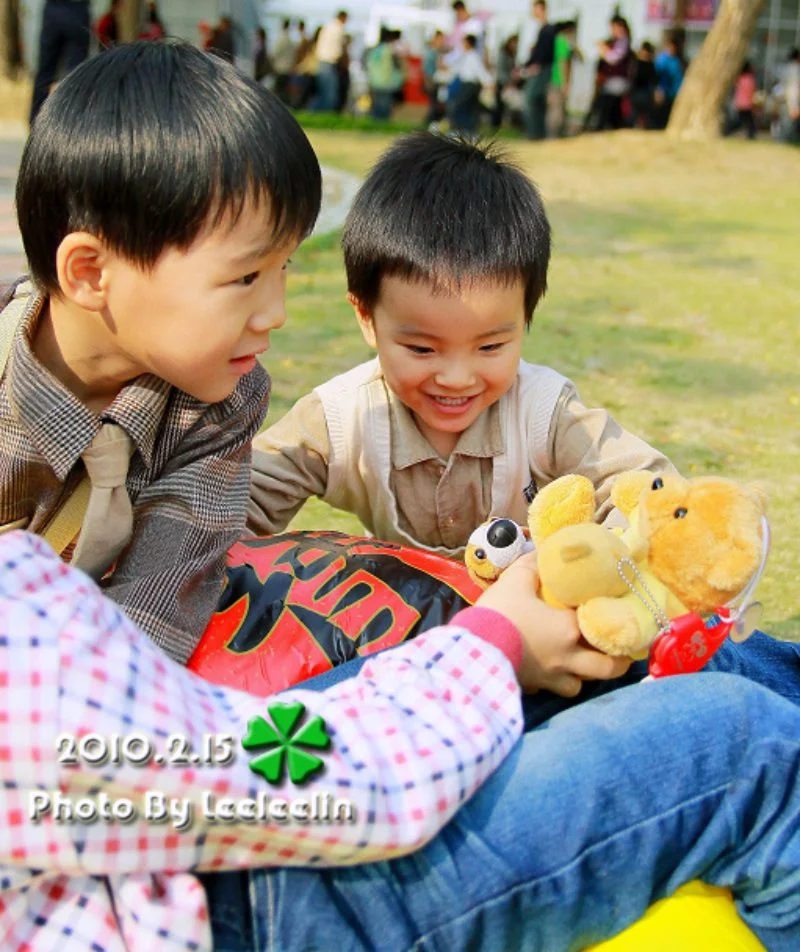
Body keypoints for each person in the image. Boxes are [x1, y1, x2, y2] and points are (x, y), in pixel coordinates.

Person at [2, 530, 800, 951]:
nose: (274, 311)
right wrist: (492, 643)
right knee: (746, 747)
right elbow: (288, 781)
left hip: (174, 802)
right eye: (243, 276)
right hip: (221, 896)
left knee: (618, 664)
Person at [1, 42, 322, 665]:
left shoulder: (218, 405)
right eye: (246, 277)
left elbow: (146, 626)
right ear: (92, 273)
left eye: (284, 267)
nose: (276, 312)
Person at [249, 132, 673, 557]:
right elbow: (233, 502)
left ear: (526, 316)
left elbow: (652, 492)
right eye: (422, 349)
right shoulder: (342, 421)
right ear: (367, 318)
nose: (456, 378)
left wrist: (600, 559)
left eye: (490, 347)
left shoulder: (544, 416)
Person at [28, 0, 91, 124]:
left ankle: (35, 123)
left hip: (54, 9)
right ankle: (73, 124)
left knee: (45, 73)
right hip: (77, 10)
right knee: (76, 74)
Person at [521, 0, 556, 140]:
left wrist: (536, 65)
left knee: (531, 100)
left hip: (540, 69)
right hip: (537, 67)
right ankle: (537, 133)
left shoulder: (548, 29)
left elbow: (544, 53)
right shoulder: (540, 29)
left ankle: (534, 133)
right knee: (537, 102)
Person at [447, 33, 493, 133]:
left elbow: (480, 71)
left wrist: (488, 82)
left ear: (468, 43)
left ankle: (459, 130)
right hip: (467, 84)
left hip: (470, 85)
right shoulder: (466, 56)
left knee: (457, 106)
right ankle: (470, 130)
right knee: (470, 108)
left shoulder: (473, 56)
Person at [595, 15, 633, 131]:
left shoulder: (623, 42)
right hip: (608, 84)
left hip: (617, 85)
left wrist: (603, 49)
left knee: (612, 117)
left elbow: (613, 58)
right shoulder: (614, 42)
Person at [547, 20, 578, 138]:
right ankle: (554, 136)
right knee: (557, 111)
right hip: (558, 80)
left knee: (555, 109)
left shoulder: (555, 40)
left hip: (552, 79)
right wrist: (565, 82)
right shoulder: (562, 41)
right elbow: (563, 62)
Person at [315, 9, 349, 111]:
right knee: (330, 94)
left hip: (323, 61)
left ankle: (320, 114)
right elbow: (339, 49)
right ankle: (325, 114)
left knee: (324, 92)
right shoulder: (338, 28)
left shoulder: (328, 27)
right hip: (329, 62)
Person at [654, 33, 684, 128]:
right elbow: (657, 76)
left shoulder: (679, 60)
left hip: (676, 93)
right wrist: (659, 90)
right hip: (664, 93)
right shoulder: (661, 60)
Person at [725, 61, 758, 139]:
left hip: (739, 102)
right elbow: (751, 91)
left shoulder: (739, 79)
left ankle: (727, 131)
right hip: (747, 103)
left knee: (742, 120)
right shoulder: (750, 79)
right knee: (747, 121)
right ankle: (751, 135)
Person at [630, 41, 657, 129]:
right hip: (635, 93)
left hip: (646, 94)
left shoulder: (651, 65)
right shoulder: (635, 64)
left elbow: (653, 81)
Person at [423, 29, 447, 127]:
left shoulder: (438, 51)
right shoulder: (431, 52)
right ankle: (430, 123)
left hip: (438, 80)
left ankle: (432, 124)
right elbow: (426, 69)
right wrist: (428, 81)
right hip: (432, 80)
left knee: (437, 104)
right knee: (434, 105)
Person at [271, 18, 296, 104]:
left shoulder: (280, 39)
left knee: (279, 89)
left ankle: (278, 104)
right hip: (288, 68)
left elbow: (274, 53)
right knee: (285, 89)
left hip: (280, 68)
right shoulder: (291, 40)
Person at [784, 47, 800, 142]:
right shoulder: (796, 69)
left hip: (788, 99)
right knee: (791, 125)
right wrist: (794, 105)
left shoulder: (787, 68)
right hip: (792, 100)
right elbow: (794, 88)